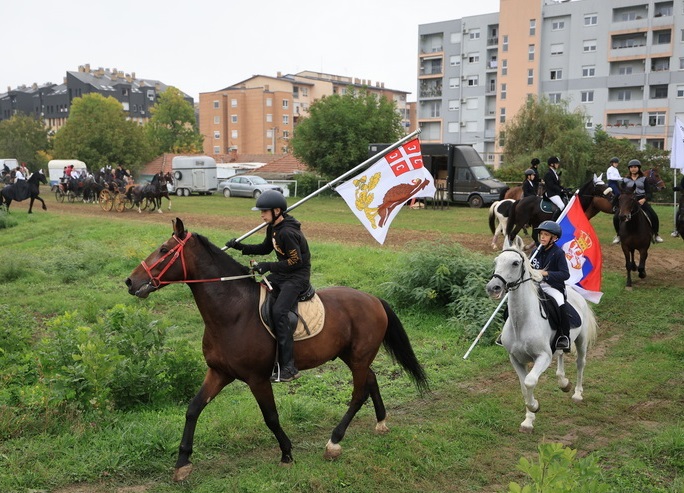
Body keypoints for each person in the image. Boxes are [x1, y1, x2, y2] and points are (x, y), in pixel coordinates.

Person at [224, 190, 311, 383]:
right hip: (283, 274)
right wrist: (241, 247)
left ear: (277, 211)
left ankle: (288, 367)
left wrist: (268, 266)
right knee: (259, 292)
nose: (261, 215)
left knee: (280, 311)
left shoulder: (288, 232)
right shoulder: (273, 227)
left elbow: (296, 262)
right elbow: (265, 248)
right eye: (261, 211)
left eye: (264, 211)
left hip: (296, 277)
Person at [530, 221, 571, 352]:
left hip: (552, 287)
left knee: (560, 303)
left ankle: (564, 336)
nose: (542, 237)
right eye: (541, 234)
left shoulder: (558, 253)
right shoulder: (535, 251)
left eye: (546, 234)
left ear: (554, 238)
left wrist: (546, 273)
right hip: (535, 285)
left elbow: (565, 274)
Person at [611, 159, 663, 244]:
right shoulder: (625, 180)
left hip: (641, 200)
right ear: (629, 169)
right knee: (616, 217)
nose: (633, 169)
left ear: (638, 168)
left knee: (653, 215)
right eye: (631, 167)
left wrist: (644, 199)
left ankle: (656, 234)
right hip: (629, 201)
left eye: (635, 167)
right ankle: (618, 235)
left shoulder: (644, 179)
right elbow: (621, 192)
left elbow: (649, 193)